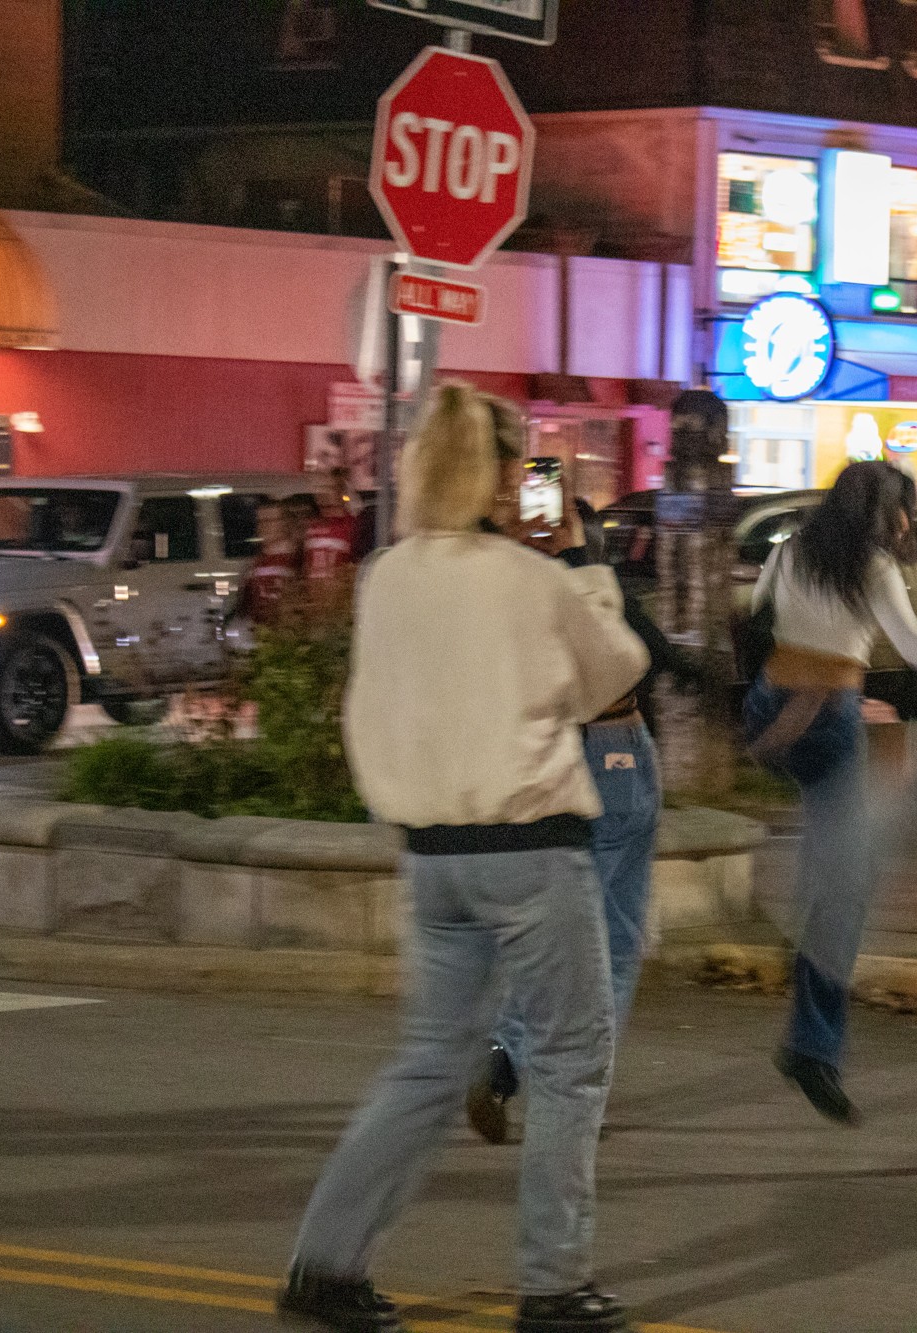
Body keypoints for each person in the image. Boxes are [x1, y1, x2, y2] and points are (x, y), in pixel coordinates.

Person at [278, 384, 647, 1333]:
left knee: (428, 1065)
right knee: (571, 1057)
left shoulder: (386, 575)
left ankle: (327, 1262)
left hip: (431, 855)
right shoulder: (530, 577)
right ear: (498, 473)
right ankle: (554, 1280)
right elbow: (614, 675)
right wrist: (573, 555)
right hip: (530, 847)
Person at [742, 460, 917, 1126]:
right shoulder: (874, 569)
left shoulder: (791, 549)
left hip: (769, 709)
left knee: (833, 853)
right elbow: (912, 646)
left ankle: (809, 909)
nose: (908, 520)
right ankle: (812, 1047)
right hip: (826, 719)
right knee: (848, 887)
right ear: (882, 513)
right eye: (904, 508)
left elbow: (761, 608)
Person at [464, 498, 696, 1144]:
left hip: (547, 762)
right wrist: (579, 557)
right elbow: (640, 655)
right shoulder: (586, 592)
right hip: (615, 753)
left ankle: (506, 1054)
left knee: (558, 933)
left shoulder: (502, 601)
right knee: (613, 944)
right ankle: (561, 1087)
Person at [303, 470, 359, 582]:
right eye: (319, 489)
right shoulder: (311, 527)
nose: (323, 493)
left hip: (340, 595)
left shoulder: (352, 525)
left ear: (339, 491)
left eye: (328, 488)